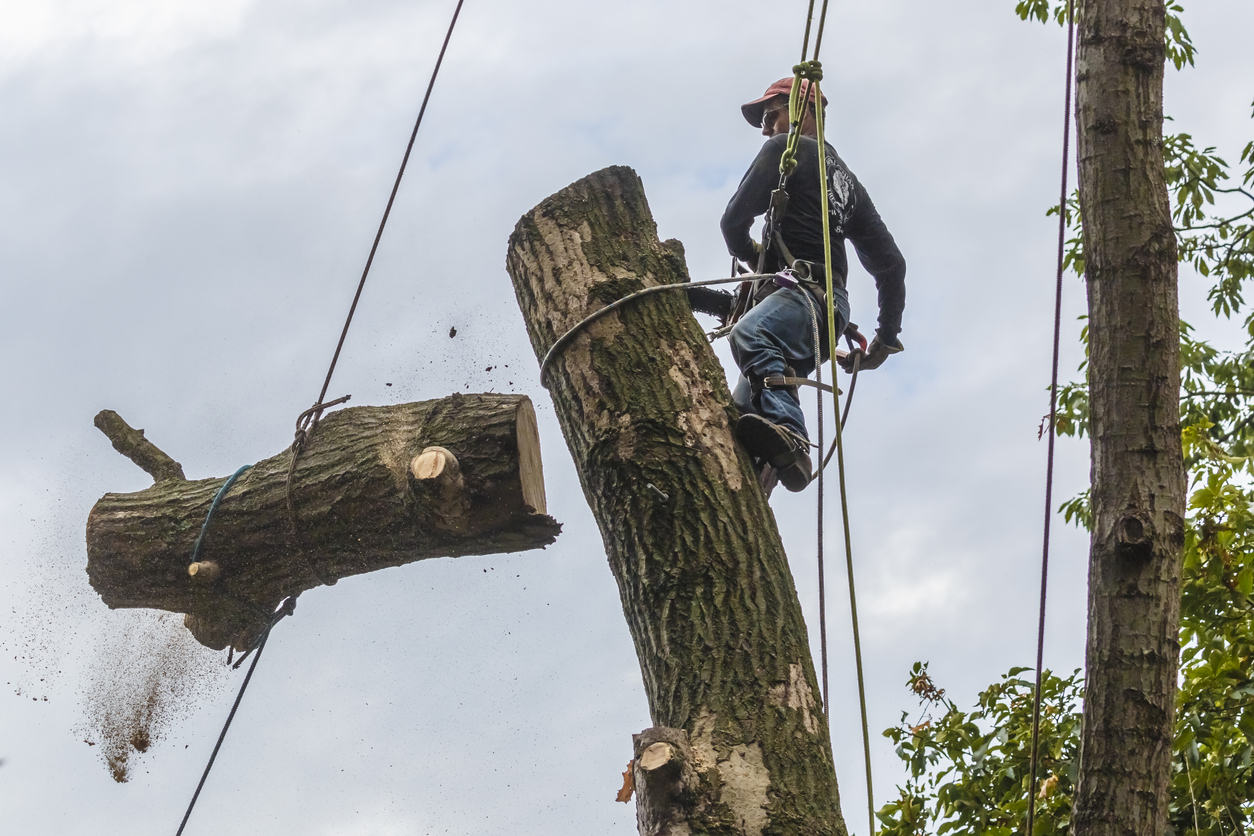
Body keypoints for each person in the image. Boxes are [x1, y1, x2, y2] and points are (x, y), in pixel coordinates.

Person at [721, 76, 906, 492]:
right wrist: (886, 338)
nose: (767, 129)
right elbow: (891, 266)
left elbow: (732, 222)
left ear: (804, 113)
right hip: (828, 310)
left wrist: (754, 257)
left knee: (751, 333)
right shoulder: (848, 184)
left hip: (802, 298)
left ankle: (790, 433)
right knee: (738, 411)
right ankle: (767, 471)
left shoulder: (789, 151)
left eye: (772, 116)